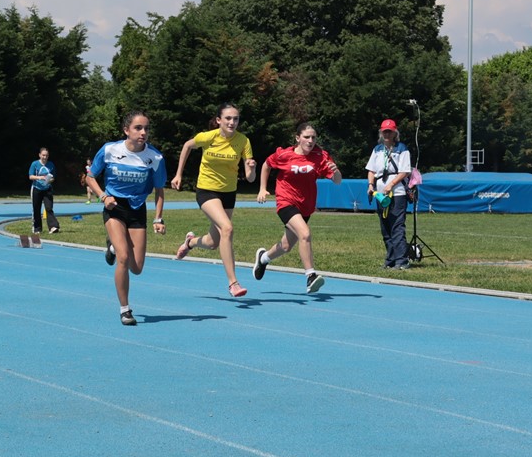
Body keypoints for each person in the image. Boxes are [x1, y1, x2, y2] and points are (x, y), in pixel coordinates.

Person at [85, 110, 167, 326]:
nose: (143, 132)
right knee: (123, 257)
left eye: (146, 128)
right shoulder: (110, 150)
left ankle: (112, 247)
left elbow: (159, 191)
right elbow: (90, 177)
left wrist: (158, 219)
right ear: (126, 130)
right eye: (138, 128)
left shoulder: (155, 157)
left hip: (137, 209)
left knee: (137, 268)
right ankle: (125, 310)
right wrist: (103, 197)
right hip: (114, 207)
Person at [170, 103, 256, 298]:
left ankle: (190, 242)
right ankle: (233, 283)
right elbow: (187, 146)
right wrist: (178, 174)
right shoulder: (208, 137)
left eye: (235, 119)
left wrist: (252, 168)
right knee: (227, 228)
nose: (232, 122)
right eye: (228, 118)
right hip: (206, 190)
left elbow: (250, 178)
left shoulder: (243, 141)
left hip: (228, 193)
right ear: (219, 120)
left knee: (212, 242)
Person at [253, 122, 342, 293]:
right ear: (297, 138)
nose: (310, 141)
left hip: (305, 206)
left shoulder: (320, 156)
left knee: (286, 246)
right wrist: (262, 188)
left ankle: (263, 258)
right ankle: (311, 276)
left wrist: (336, 171)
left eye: (313, 137)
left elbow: (337, 181)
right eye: (306, 137)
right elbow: (266, 165)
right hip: (286, 202)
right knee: (305, 234)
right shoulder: (284, 154)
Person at [365, 119, 412, 269]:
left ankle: (401, 260)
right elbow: (371, 170)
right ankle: (390, 259)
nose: (387, 134)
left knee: (397, 225)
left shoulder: (401, 149)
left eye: (389, 132)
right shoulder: (377, 149)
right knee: (385, 226)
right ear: (381, 133)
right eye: (384, 131)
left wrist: (391, 184)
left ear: (394, 133)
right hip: (380, 193)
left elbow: (405, 171)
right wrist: (370, 185)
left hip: (397, 192)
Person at [28, 147, 61, 234]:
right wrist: (40, 177)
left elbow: (53, 177)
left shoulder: (51, 164)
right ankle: (37, 228)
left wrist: (50, 180)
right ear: (39, 155)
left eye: (46, 155)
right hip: (36, 188)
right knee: (36, 208)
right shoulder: (35, 164)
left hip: (47, 189)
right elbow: (30, 176)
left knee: (49, 208)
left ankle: (53, 227)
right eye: (43, 155)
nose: (45, 157)